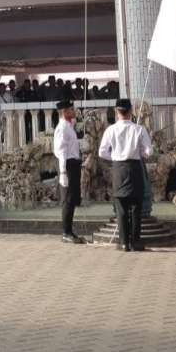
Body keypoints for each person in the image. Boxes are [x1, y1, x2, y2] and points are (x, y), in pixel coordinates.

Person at [98, 98, 152, 252]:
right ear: (131, 112)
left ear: (116, 112)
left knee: (121, 207)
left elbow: (102, 152)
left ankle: (123, 243)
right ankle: (135, 242)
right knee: (136, 207)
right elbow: (149, 152)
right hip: (135, 168)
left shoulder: (110, 130)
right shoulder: (139, 129)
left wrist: (115, 157)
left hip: (118, 169)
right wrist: (140, 152)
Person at [54, 100, 85, 244]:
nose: (74, 112)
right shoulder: (62, 128)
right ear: (65, 112)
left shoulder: (68, 126)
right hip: (67, 165)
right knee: (67, 200)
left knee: (72, 200)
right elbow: (61, 152)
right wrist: (63, 172)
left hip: (73, 163)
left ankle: (70, 230)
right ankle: (66, 232)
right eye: (71, 110)